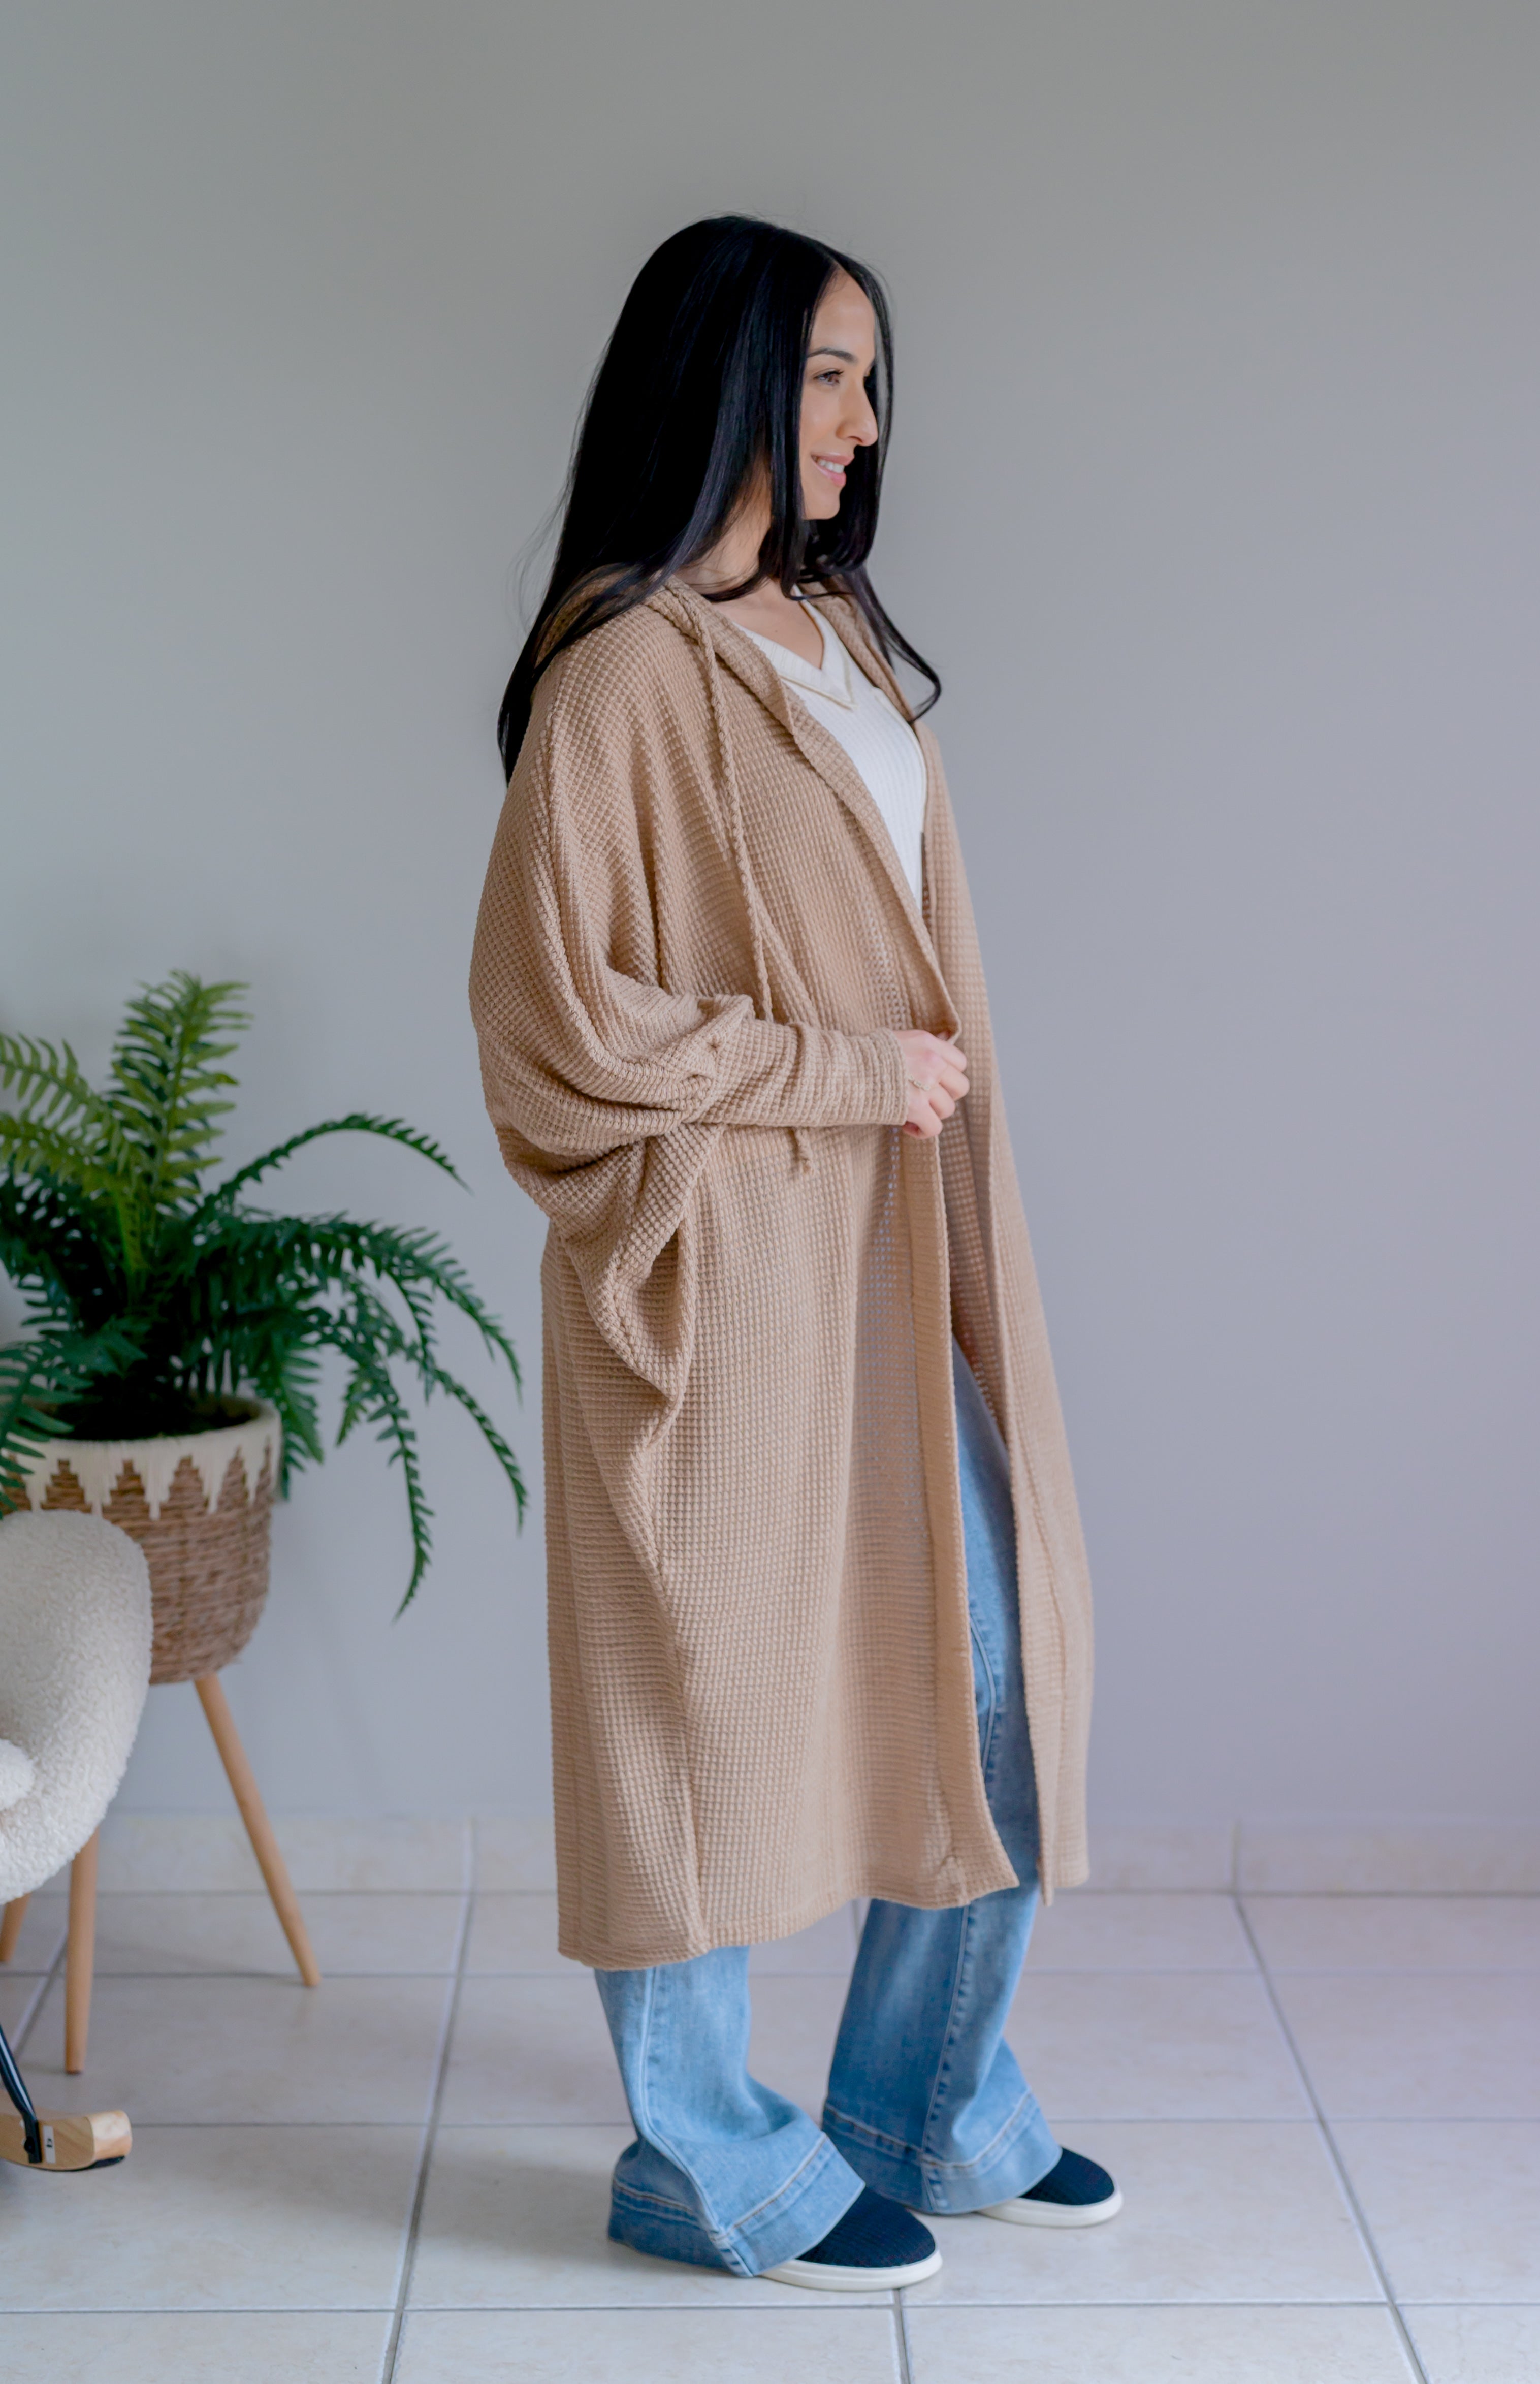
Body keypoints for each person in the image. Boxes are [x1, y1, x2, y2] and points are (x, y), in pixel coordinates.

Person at [471, 215, 1113, 2291]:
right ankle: (701, 2156)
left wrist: (898, 1099)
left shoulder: (831, 631)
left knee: (997, 1666)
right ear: (723, 378)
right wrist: (840, 1073)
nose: (861, 420)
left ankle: (924, 2101)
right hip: (725, 1273)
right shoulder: (621, 668)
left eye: (869, 378)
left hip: (895, 1251)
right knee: (688, 1702)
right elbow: (552, 1022)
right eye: (826, 374)